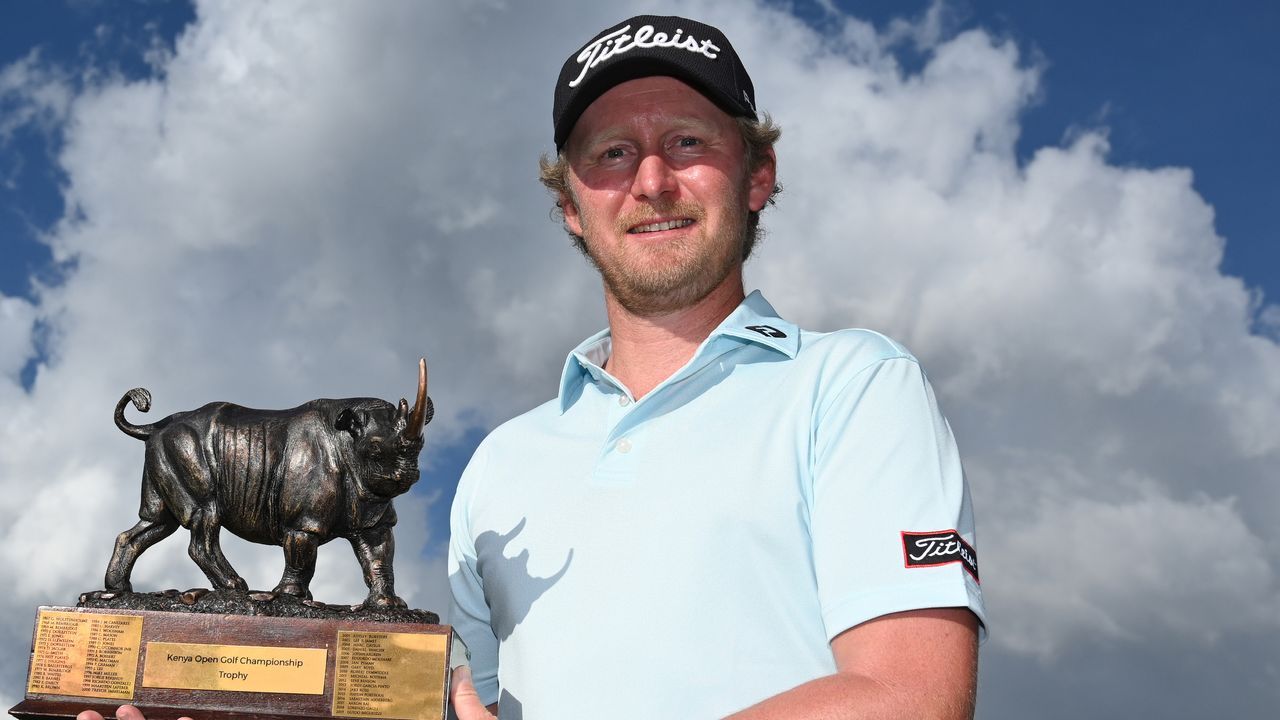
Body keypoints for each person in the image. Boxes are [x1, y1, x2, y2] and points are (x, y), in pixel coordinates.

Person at [447, 13, 986, 720]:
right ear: (570, 206)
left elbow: (910, 699)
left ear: (758, 175)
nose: (650, 180)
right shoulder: (496, 465)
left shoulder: (855, 386)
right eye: (611, 153)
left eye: (687, 142)